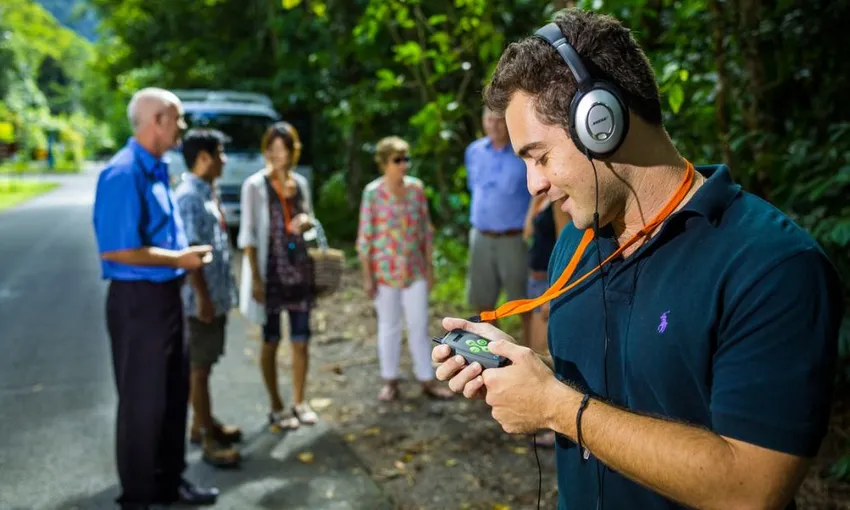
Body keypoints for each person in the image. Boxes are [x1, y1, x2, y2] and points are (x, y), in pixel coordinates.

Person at [432, 9, 844, 510]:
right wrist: (525, 373)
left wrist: (556, 407)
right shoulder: (576, 243)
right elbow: (620, 390)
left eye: (539, 157)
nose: (532, 185)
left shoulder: (772, 267)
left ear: (600, 123)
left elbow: (751, 489)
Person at [92, 87, 219, 509]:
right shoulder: (122, 172)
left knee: (171, 393)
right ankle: (139, 497)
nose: (182, 126)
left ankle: (170, 484)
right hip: (136, 303)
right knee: (142, 403)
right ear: (157, 121)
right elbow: (115, 248)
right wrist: (180, 259)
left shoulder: (158, 168)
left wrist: (184, 262)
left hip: (166, 297)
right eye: (178, 118)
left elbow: (163, 235)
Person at [356, 136, 455, 402]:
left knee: (419, 325)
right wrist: (367, 275)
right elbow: (365, 236)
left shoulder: (416, 189)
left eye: (405, 159)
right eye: (397, 160)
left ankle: (426, 379)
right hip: (384, 272)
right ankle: (390, 380)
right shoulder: (373, 193)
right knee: (388, 326)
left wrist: (430, 269)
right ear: (384, 163)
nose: (403, 165)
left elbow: (425, 231)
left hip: (415, 271)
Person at [238, 121, 319, 430]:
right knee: (271, 341)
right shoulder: (254, 186)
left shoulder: (300, 183)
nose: (276, 155)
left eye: (282, 149)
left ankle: (299, 401)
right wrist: (256, 279)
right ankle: (276, 405)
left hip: (299, 272)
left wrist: (306, 222)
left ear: (291, 152)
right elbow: (247, 236)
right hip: (270, 275)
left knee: (301, 341)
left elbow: (309, 221)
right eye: (271, 149)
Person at [174, 128, 241, 468]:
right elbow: (189, 253)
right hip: (201, 301)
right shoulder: (189, 196)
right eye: (220, 153)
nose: (224, 160)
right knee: (198, 370)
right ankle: (207, 440)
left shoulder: (206, 191)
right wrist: (202, 297)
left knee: (206, 364)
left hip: (214, 296)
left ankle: (204, 423)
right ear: (204, 158)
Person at [465, 107, 532, 343]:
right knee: (483, 302)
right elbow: (474, 188)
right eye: (489, 119)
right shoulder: (473, 151)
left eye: (499, 120)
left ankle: (530, 354)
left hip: (513, 239)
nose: (494, 125)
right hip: (481, 237)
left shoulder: (522, 153)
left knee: (522, 302)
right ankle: (491, 352)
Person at [522, 193, 571, 447]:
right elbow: (527, 231)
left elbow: (566, 243)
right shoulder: (541, 199)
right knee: (533, 349)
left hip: (548, 285)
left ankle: (558, 422)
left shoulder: (558, 202)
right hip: (535, 279)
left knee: (546, 353)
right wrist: (534, 202)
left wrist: (553, 294)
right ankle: (541, 415)